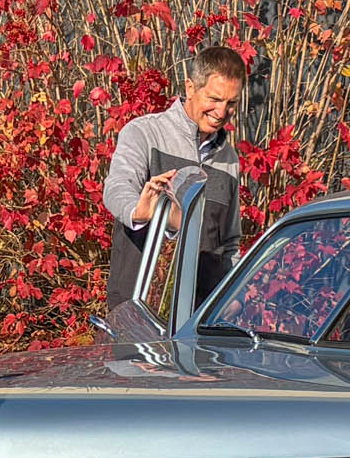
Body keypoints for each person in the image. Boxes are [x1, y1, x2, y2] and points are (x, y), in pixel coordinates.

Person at [102, 45, 245, 309]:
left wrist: (233, 295)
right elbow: (116, 188)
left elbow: (229, 242)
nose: (222, 112)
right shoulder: (144, 133)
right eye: (214, 99)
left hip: (199, 320)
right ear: (190, 88)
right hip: (136, 312)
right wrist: (139, 211)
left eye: (231, 103)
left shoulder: (229, 160)